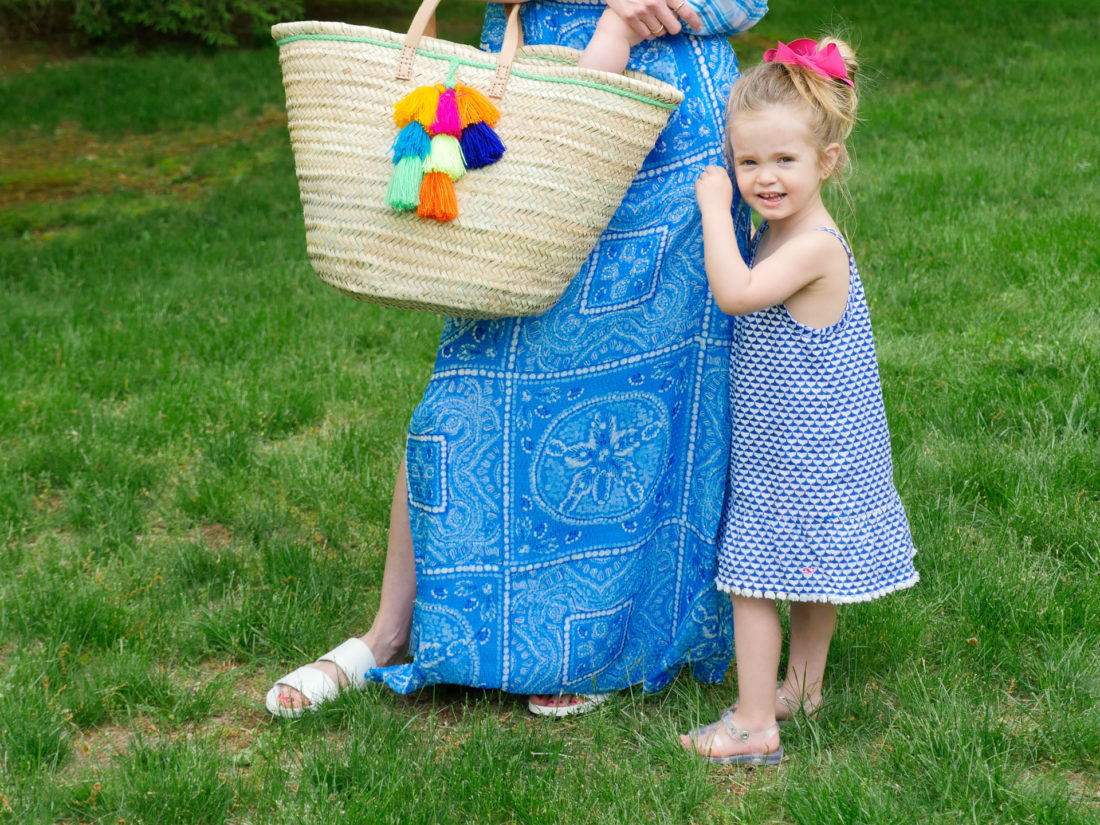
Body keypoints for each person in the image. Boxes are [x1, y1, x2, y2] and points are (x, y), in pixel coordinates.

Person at [265, 0, 769, 719]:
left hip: (673, 148)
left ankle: (599, 641)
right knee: (468, 385)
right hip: (538, 111)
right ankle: (386, 633)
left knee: (642, 395)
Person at [679, 37, 919, 763]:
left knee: (755, 583)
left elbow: (735, 293)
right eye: (747, 162)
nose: (763, 177)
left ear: (828, 161)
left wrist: (714, 205)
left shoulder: (811, 244)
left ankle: (754, 723)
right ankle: (803, 687)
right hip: (820, 448)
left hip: (801, 455)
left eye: (784, 160)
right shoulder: (780, 229)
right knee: (814, 574)